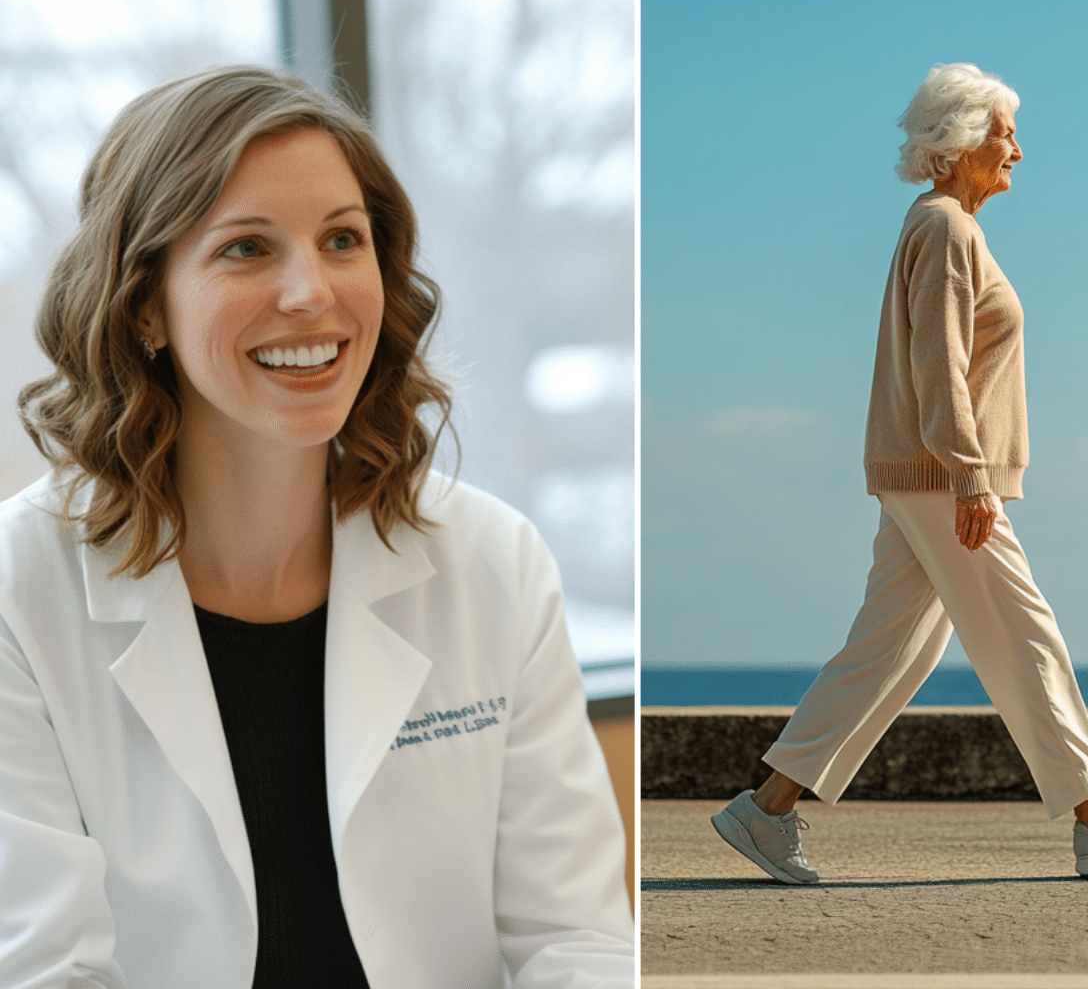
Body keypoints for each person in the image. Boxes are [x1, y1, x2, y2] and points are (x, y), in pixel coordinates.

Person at [0, 66, 632, 986]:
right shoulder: (20, 590)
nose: (311, 292)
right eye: (246, 249)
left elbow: (576, 942)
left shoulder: (495, 563)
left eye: (343, 239)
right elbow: (45, 970)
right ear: (144, 304)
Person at [710, 62, 1088, 883]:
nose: (1018, 149)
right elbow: (938, 361)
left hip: (925, 472)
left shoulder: (939, 225)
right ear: (960, 141)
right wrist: (971, 475)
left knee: (889, 652)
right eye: (1005, 132)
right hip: (943, 477)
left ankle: (767, 810)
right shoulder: (944, 228)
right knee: (1023, 630)